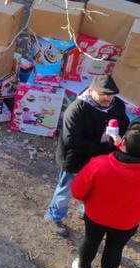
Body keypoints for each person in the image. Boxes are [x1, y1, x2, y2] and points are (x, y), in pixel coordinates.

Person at [69, 122, 140, 268]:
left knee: (91, 241)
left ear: (124, 140)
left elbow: (77, 191)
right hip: (127, 221)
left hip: (96, 216)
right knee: (115, 248)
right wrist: (124, 144)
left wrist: (86, 200)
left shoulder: (99, 164)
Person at [46, 75, 129, 238]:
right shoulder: (77, 109)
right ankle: (54, 217)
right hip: (76, 160)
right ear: (91, 91)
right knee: (66, 190)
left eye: (110, 94)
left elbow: (124, 123)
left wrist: (120, 140)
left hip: (102, 160)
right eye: (103, 94)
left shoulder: (117, 105)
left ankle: (85, 212)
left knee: (92, 190)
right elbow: (71, 141)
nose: (107, 98)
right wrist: (103, 148)